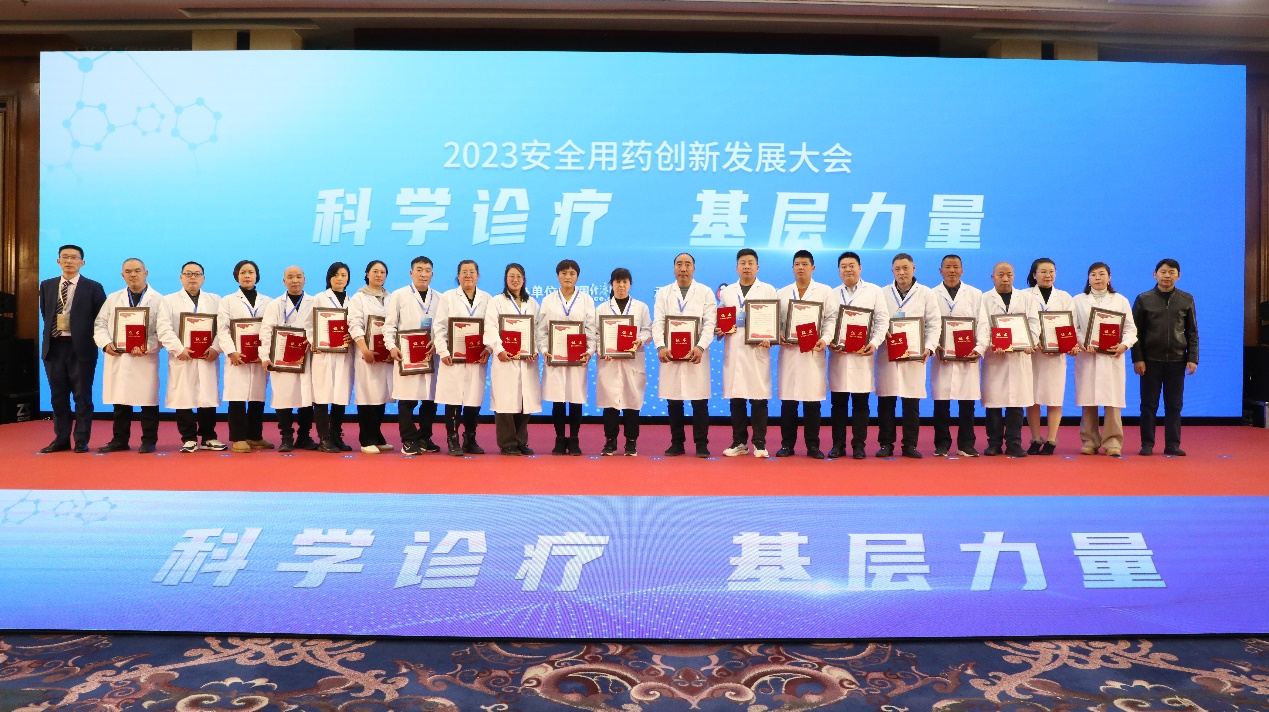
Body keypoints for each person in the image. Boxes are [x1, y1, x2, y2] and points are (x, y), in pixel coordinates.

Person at [38, 244, 106, 453]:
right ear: (58, 261)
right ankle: (61, 439)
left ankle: (81, 439)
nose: (69, 261)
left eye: (74, 257)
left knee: (82, 396)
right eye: (65, 257)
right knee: (58, 396)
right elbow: (46, 313)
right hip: (54, 348)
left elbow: (100, 319)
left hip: (81, 349)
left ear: (82, 262)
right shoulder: (47, 285)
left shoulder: (93, 287)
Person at [93, 258, 163, 453]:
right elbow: (100, 324)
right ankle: (120, 440)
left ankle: (149, 440)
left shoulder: (159, 300)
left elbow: (163, 331)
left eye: (137, 270)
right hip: (119, 357)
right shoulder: (113, 298)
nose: (133, 275)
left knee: (148, 401)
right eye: (128, 271)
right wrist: (106, 343)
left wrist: (148, 345)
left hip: (144, 358)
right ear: (122, 275)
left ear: (146, 273)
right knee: (120, 402)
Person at [874, 253, 939, 458]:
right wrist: (881, 331)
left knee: (911, 403)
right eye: (897, 269)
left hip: (914, 355)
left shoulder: (926, 293)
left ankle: (910, 444)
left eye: (905, 268)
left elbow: (934, 323)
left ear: (913, 269)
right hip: (888, 354)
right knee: (886, 402)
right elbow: (876, 320)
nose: (902, 272)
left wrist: (929, 347)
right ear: (892, 271)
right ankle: (886, 444)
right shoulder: (882, 293)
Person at [1131, 258, 1199, 456]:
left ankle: (1172, 444)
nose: (1167, 276)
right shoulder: (1144, 299)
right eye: (1163, 272)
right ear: (1155, 274)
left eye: (1171, 272)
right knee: (1148, 405)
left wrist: (1192, 357)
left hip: (1177, 360)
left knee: (1174, 405)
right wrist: (1138, 358)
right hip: (1150, 360)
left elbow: (1192, 332)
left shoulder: (1186, 299)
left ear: (1178, 276)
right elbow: (1135, 333)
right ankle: (1147, 444)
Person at [652, 252, 717, 457]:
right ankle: (677, 443)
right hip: (670, 354)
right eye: (679, 264)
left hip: (696, 354)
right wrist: (660, 346)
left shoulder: (705, 292)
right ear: (674, 268)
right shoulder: (664, 293)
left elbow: (710, 324)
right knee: (674, 401)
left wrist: (700, 346)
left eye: (687, 264)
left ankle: (701, 444)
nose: (683, 268)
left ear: (694, 268)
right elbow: (658, 322)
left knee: (699, 402)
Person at [156, 261, 225, 453]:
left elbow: (223, 328)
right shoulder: (169, 301)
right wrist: (178, 349)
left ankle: (209, 437)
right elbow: (163, 328)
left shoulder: (215, 300)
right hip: (182, 357)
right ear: (181, 277)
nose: (192, 277)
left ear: (203, 278)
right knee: (183, 396)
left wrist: (216, 347)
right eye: (188, 273)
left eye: (197, 274)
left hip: (207, 356)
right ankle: (188, 438)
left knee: (207, 396)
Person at [827, 251, 888, 460]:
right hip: (839, 356)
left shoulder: (874, 291)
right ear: (839, 271)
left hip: (863, 356)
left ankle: (859, 445)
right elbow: (827, 322)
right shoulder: (832, 294)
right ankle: (838, 445)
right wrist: (830, 342)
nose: (848, 269)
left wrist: (874, 343)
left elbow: (882, 320)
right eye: (843, 266)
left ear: (860, 268)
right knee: (838, 405)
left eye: (851, 265)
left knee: (861, 404)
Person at [1072, 262, 1137, 457]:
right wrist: (1084, 342)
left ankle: (1113, 442)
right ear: (1088, 278)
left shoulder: (1120, 300)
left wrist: (1124, 345)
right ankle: (1089, 441)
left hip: (1111, 358)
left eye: (1102, 274)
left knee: (1112, 402)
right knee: (1088, 401)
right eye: (1093, 274)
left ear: (1109, 278)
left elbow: (1130, 329)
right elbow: (1073, 327)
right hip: (1088, 356)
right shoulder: (1078, 300)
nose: (1097, 278)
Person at [717, 249, 776, 458]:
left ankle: (759, 443)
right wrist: (719, 329)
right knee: (737, 399)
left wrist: (771, 337)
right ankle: (739, 442)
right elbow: (721, 319)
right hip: (735, 350)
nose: (747, 266)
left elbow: (775, 321)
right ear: (737, 268)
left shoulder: (768, 290)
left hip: (757, 350)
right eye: (743, 263)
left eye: (751, 263)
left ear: (757, 267)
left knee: (759, 399)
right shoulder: (727, 292)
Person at [775, 249, 833, 459]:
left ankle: (813, 446)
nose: (800, 267)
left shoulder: (824, 291)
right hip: (789, 354)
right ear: (792, 268)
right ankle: (787, 444)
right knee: (788, 403)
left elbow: (831, 320)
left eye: (805, 264)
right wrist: (778, 335)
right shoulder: (782, 293)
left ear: (813, 268)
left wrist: (825, 339)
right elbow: (776, 321)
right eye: (797, 264)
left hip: (812, 353)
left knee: (812, 402)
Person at [977, 261, 1039, 457]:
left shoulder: (1026, 298)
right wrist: (991, 344)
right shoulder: (984, 299)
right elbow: (982, 327)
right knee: (994, 404)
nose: (1005, 278)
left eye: (1009, 274)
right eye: (1001, 274)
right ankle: (994, 443)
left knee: (1016, 403)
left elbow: (1034, 324)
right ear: (992, 277)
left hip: (1019, 357)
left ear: (1014, 276)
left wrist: (1030, 342)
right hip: (995, 357)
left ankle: (1014, 443)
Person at [537, 259, 596, 455]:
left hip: (578, 358)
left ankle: (575, 440)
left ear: (577, 277)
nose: (567, 277)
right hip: (556, 357)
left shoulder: (586, 300)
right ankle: (560, 439)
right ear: (557, 276)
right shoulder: (548, 300)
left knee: (575, 398)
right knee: (558, 399)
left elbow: (591, 329)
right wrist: (544, 350)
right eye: (564, 273)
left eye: (572, 273)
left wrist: (589, 351)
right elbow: (541, 330)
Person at [433, 259, 492, 456]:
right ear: (458, 276)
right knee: (453, 399)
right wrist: (443, 351)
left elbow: (492, 328)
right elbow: (439, 326)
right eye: (464, 272)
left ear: (478, 276)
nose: (468, 275)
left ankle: (470, 439)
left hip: (476, 358)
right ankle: (452, 440)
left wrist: (488, 349)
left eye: (472, 271)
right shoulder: (448, 297)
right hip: (453, 358)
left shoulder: (487, 298)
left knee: (473, 400)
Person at [384, 256, 440, 456]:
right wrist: (391, 346)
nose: (423, 274)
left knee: (430, 400)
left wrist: (438, 341)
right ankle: (408, 440)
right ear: (411, 273)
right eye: (419, 269)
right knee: (407, 400)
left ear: (432, 274)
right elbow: (389, 325)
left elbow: (442, 327)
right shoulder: (399, 295)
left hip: (429, 355)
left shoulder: (439, 298)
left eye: (427, 270)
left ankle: (424, 438)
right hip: (405, 354)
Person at [259, 265, 318, 452]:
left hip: (306, 356)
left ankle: (304, 436)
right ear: (284, 281)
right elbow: (266, 331)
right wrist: (265, 356)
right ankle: (286, 437)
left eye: (298, 276)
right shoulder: (275, 305)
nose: (295, 280)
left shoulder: (314, 302)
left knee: (307, 397)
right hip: (280, 357)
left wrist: (313, 340)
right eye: (290, 277)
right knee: (283, 396)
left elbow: (318, 328)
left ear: (304, 279)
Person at [929, 254, 983, 457]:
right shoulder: (931, 294)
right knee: (941, 403)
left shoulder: (975, 294)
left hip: (967, 356)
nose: (952, 271)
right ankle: (942, 444)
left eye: (956, 267)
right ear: (940, 271)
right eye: (947, 267)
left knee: (967, 403)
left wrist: (979, 348)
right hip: (942, 356)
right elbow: (928, 324)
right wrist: (933, 345)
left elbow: (983, 324)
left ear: (962, 270)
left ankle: (966, 444)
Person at [485, 263, 542, 455]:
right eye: (511, 276)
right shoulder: (497, 302)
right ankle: (507, 443)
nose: (515, 280)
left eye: (518, 276)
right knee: (505, 402)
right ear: (505, 279)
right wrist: (498, 349)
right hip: (505, 359)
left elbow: (539, 330)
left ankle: (521, 441)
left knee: (525, 401)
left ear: (524, 280)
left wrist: (535, 349)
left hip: (527, 360)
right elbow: (490, 327)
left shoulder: (532, 303)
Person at [216, 259, 271, 453]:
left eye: (251, 272)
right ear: (236, 276)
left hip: (258, 357)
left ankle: (255, 436)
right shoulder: (227, 301)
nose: (247, 276)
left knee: (257, 396)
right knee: (237, 397)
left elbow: (270, 329)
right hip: (237, 356)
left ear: (257, 276)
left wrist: (265, 353)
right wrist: (231, 351)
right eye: (243, 272)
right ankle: (238, 438)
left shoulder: (268, 302)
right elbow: (222, 329)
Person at [597, 267, 652, 456]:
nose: (621, 285)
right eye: (617, 282)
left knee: (632, 402)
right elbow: (595, 334)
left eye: (624, 282)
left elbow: (648, 330)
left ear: (630, 284)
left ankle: (631, 442)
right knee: (610, 403)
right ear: (611, 284)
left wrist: (640, 340)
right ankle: (610, 442)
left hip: (632, 361)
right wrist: (602, 349)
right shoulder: (601, 309)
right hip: (609, 362)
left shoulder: (641, 307)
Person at [1024, 258, 1077, 455]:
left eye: (1051, 271)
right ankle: (1035, 438)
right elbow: (1021, 324)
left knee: (1054, 397)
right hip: (1033, 354)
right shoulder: (1024, 295)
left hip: (1056, 356)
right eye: (1043, 271)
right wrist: (1031, 341)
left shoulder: (1064, 297)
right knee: (1032, 398)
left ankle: (1051, 439)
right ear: (1034, 274)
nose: (1048, 275)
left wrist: (1071, 345)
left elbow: (1071, 326)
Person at [310, 263, 357, 454]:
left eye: (344, 275)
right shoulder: (319, 299)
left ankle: (336, 435)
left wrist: (352, 336)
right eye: (336, 275)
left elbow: (356, 325)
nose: (340, 279)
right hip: (323, 354)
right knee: (322, 396)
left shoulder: (353, 301)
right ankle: (324, 438)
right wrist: (314, 341)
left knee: (340, 395)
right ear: (329, 278)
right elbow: (309, 325)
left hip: (344, 355)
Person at [348, 260, 394, 454]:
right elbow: (354, 324)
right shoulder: (358, 298)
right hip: (366, 353)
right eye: (375, 271)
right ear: (367, 274)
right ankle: (366, 439)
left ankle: (377, 436)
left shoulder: (391, 298)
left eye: (382, 272)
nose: (379, 275)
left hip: (386, 354)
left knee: (381, 394)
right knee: (367, 394)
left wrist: (392, 349)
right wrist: (364, 349)